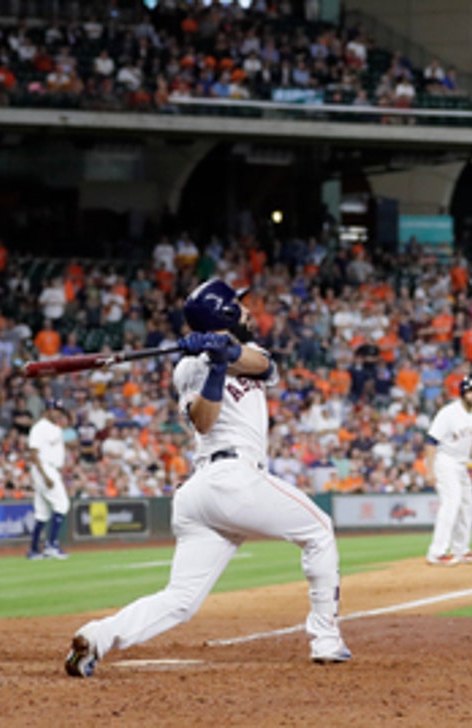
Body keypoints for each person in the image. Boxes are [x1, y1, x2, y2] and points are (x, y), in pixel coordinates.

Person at [65, 279, 350, 678]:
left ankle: (97, 636)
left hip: (207, 494)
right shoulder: (188, 368)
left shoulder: (249, 351)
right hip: (228, 479)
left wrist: (224, 351)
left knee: (181, 601)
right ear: (226, 313)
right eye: (240, 305)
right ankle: (326, 639)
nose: (248, 311)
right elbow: (203, 422)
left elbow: (263, 366)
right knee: (320, 529)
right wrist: (213, 368)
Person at [424, 375, 472, 566]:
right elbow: (431, 442)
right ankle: (436, 552)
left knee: (467, 504)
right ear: (462, 393)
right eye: (470, 391)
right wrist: (430, 471)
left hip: (462, 463)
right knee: (451, 502)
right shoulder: (449, 413)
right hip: (445, 460)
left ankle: (461, 550)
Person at [27, 399, 71, 560]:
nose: (58, 413)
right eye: (55, 410)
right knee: (62, 504)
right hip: (44, 468)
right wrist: (45, 476)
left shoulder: (55, 428)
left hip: (51, 469)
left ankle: (33, 550)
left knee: (42, 513)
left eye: (60, 411)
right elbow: (34, 454)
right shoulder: (39, 427)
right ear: (48, 410)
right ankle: (51, 545)